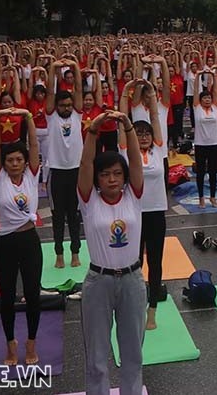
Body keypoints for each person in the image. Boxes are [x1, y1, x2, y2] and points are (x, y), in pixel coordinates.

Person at [78, 110, 145, 395]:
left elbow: (135, 158)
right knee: (97, 358)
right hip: (99, 282)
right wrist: (93, 130)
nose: (112, 179)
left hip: (132, 281)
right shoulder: (88, 199)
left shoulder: (133, 194)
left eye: (118, 174)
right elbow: (85, 163)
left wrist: (127, 126)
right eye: (105, 175)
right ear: (97, 179)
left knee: (133, 355)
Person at [0, 106, 41, 366]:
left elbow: (33, 145)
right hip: (6, 243)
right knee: (7, 296)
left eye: (19, 160)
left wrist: (28, 116)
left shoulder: (32, 176)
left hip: (30, 241)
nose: (15, 164)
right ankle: (11, 344)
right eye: (11, 161)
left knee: (32, 294)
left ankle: (31, 342)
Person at [119, 84, 167, 330]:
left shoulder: (159, 150)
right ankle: (135, 303)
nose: (144, 136)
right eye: (138, 133)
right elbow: (122, 122)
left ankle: (153, 309)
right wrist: (126, 93)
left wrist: (151, 97)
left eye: (146, 133)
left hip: (156, 213)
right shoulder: (127, 152)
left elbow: (156, 119)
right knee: (134, 261)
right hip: (134, 215)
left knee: (156, 262)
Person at [45, 65, 85, 269]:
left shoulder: (77, 116)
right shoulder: (51, 117)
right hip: (57, 172)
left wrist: (75, 67)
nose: (66, 108)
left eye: (69, 105)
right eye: (62, 105)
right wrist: (53, 69)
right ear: (56, 106)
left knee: (74, 215)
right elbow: (51, 92)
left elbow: (78, 88)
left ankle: (75, 252)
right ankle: (59, 253)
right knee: (58, 216)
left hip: (76, 172)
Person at [192, 73, 217, 208]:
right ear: (200, 100)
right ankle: (201, 198)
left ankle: (213, 196)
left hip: (214, 144)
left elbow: (215, 91)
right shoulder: (197, 108)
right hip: (200, 144)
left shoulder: (215, 108)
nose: (207, 100)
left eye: (209, 98)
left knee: (213, 171)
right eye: (204, 98)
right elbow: (195, 91)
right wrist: (199, 75)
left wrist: (214, 76)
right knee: (200, 172)